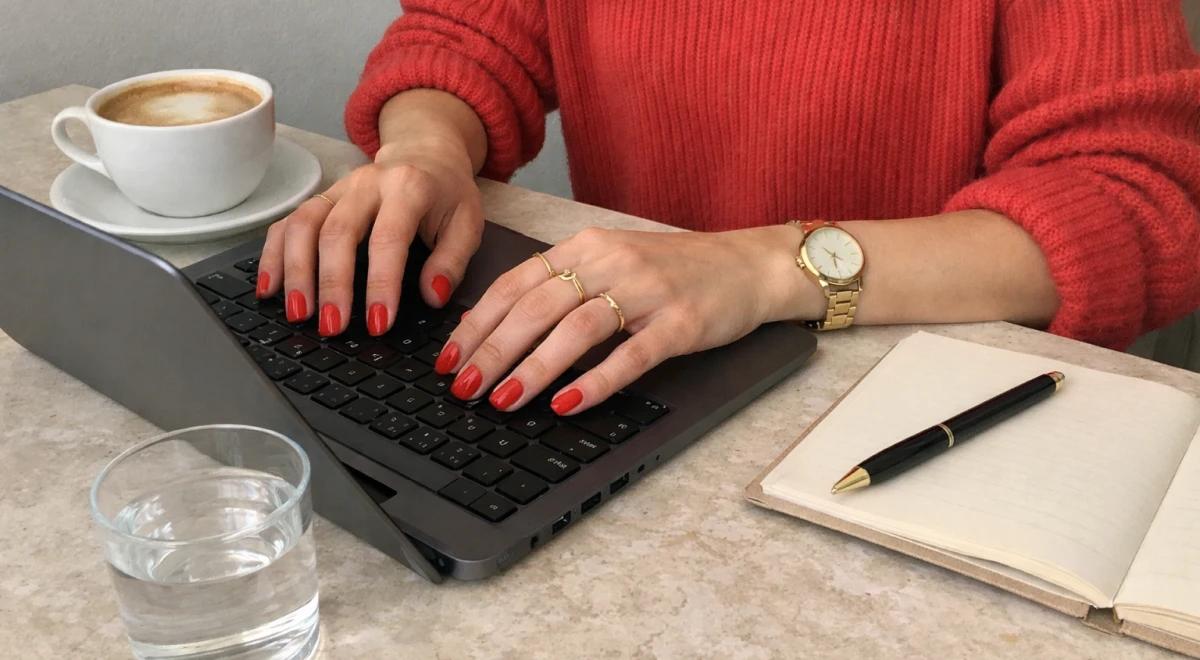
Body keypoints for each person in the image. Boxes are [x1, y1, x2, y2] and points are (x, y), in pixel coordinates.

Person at [256, 1, 1200, 416]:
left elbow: (1134, 198)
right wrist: (428, 148)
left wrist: (761, 268)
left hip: (926, 398)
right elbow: (465, 33)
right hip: (639, 367)